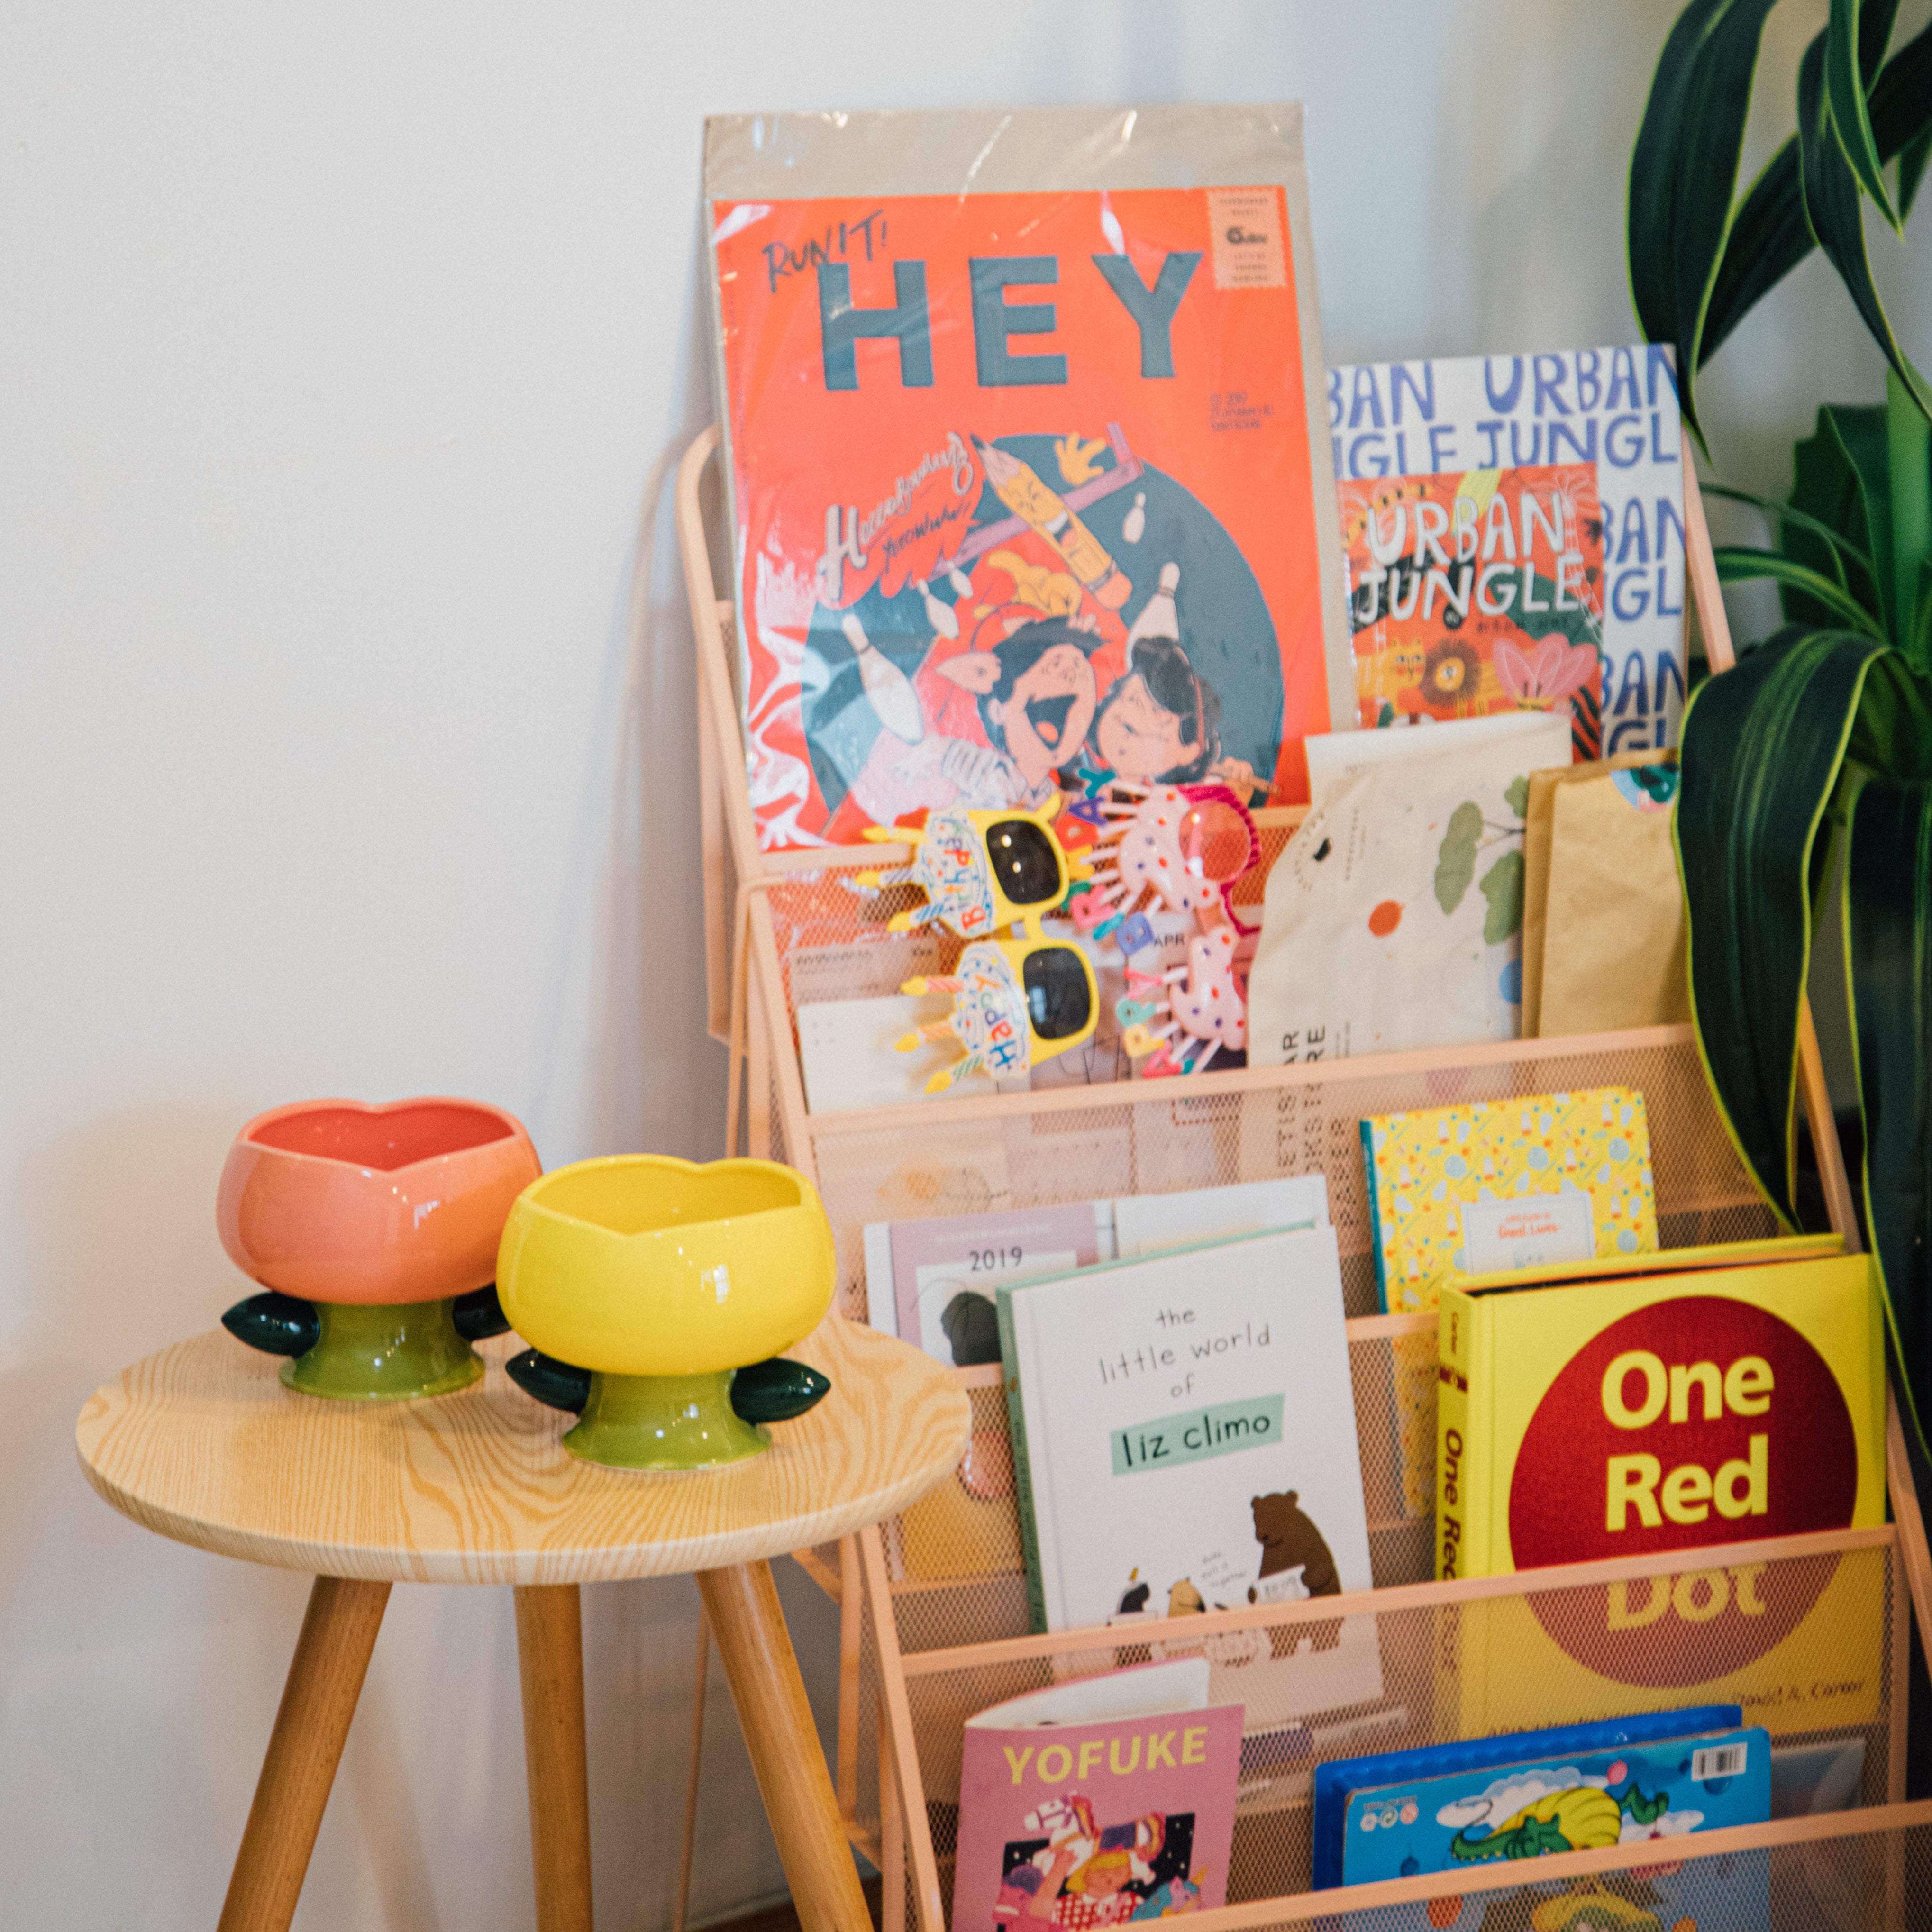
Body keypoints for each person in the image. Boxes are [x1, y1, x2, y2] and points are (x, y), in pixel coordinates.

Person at [1086, 636, 1257, 798]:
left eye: (1157, 713)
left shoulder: (1176, 803)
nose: (1135, 716)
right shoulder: (1078, 766)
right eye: (1132, 698)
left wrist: (1233, 796)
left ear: (1189, 753)